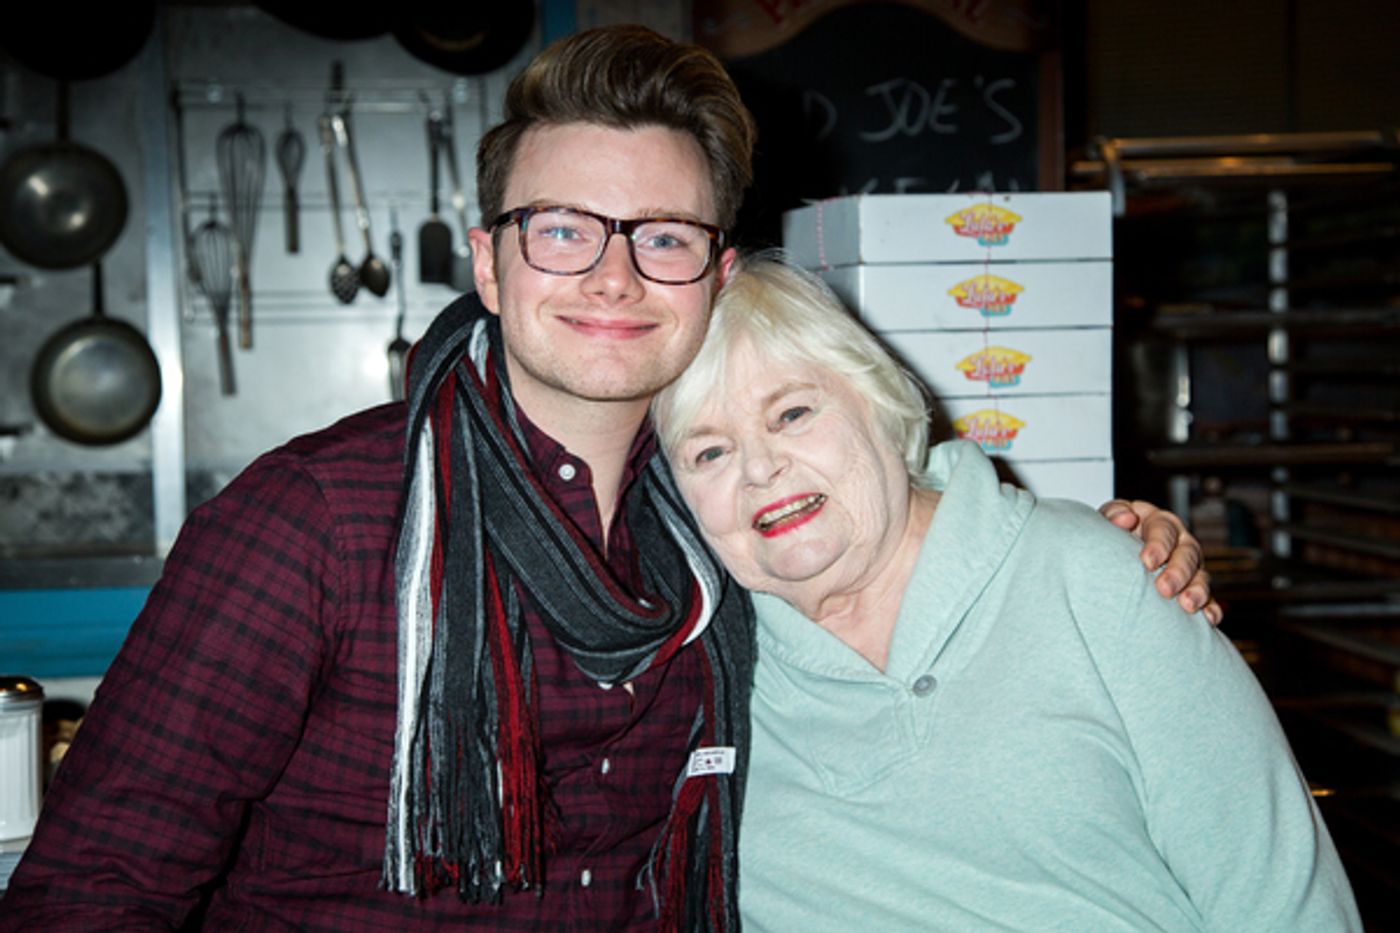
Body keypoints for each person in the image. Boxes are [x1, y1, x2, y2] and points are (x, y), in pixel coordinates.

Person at [0, 26, 1214, 933]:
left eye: (663, 237)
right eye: (563, 229)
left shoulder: (726, 525)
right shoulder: (313, 522)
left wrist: (1104, 549)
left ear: (716, 276)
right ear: (490, 263)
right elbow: (93, 890)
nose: (613, 277)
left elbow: (908, 560)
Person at [651, 254, 1361, 932]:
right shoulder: (691, 672)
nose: (761, 468)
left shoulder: (1093, 578)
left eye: (793, 413)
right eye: (709, 451)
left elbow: (1280, 900)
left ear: (877, 401)